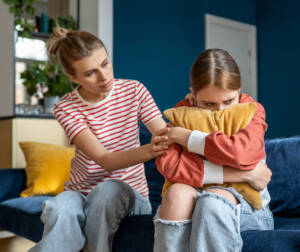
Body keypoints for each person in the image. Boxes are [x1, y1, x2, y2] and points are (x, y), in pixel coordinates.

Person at [29, 27, 169, 252]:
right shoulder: (66, 107)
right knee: (58, 208)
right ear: (73, 77)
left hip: (130, 194)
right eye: (90, 73)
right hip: (81, 192)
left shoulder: (135, 91)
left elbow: (166, 135)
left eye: (105, 63)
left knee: (106, 192)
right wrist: (150, 150)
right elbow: (105, 159)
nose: (104, 77)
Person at [153, 49, 274, 252]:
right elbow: (170, 166)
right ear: (193, 96)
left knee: (211, 201)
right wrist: (243, 173)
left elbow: (240, 153)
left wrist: (186, 137)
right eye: (208, 104)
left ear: (239, 92)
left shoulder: (253, 110)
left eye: (228, 102)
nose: (220, 113)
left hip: (247, 207)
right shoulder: (181, 112)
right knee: (176, 193)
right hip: (195, 198)